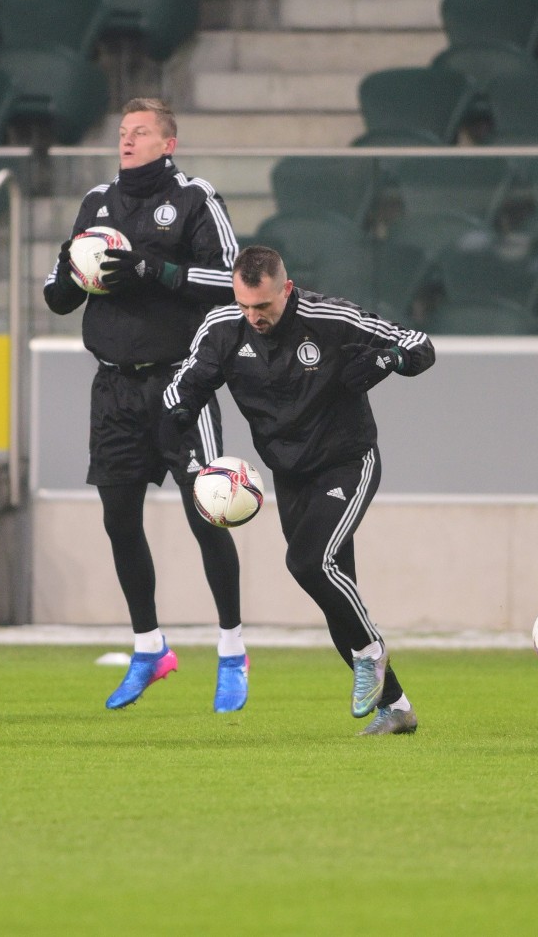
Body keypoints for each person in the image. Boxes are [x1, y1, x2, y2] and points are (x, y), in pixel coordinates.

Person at [163, 245, 436, 736]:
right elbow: (185, 382)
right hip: (289, 475)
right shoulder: (223, 327)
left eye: (263, 306)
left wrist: (387, 358)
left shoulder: (329, 318)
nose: (254, 316)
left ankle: (372, 654)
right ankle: (395, 706)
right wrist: (180, 412)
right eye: (245, 305)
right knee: (332, 593)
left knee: (308, 563)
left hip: (347, 462)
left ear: (286, 290)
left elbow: (420, 344)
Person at [43, 98, 247, 714]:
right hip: (112, 387)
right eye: (123, 132)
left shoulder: (195, 199)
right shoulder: (96, 203)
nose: (127, 141)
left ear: (168, 143)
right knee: (118, 519)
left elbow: (234, 282)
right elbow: (57, 297)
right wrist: (72, 278)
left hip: (180, 382)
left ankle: (232, 649)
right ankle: (149, 645)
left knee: (207, 513)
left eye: (140, 133)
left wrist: (153, 269)